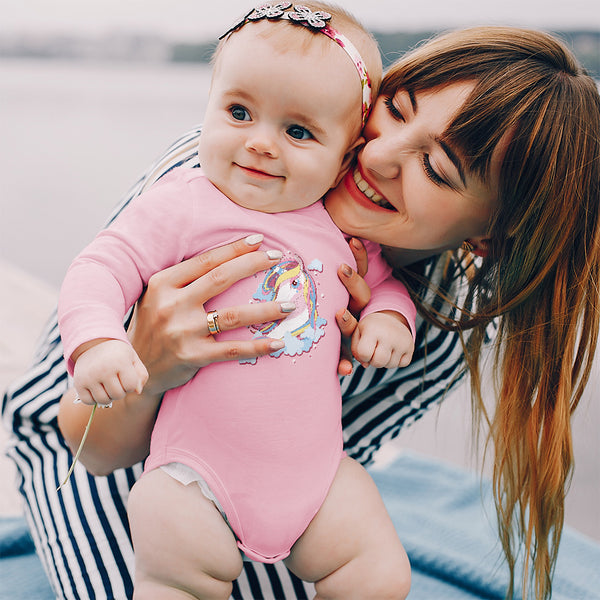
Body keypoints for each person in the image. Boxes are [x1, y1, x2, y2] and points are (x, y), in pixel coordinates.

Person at [3, 22, 599, 600]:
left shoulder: (436, 331)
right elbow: (93, 446)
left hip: (256, 482)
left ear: (487, 237)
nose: (379, 157)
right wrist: (150, 358)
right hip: (86, 439)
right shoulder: (229, 168)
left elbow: (310, 480)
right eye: (395, 110)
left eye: (437, 170)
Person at [57, 3, 414, 598]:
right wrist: (96, 342)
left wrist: (388, 318)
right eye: (239, 112)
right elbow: (100, 266)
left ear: (346, 156)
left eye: (298, 131)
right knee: (177, 575)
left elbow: (383, 285)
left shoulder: (333, 226)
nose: (259, 144)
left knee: (378, 571)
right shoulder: (186, 202)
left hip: (315, 477)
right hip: (194, 476)